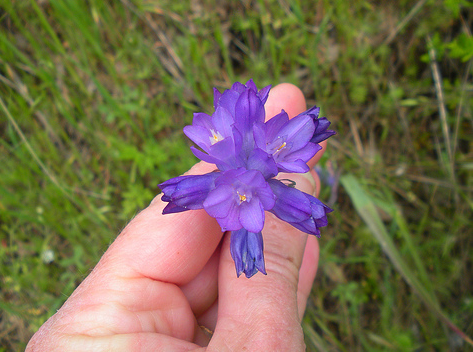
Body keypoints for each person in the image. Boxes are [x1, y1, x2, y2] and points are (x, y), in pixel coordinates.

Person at [26, 84, 326, 351]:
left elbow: (251, 184)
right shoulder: (238, 186)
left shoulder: (252, 168)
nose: (274, 151)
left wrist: (265, 193)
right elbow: (239, 197)